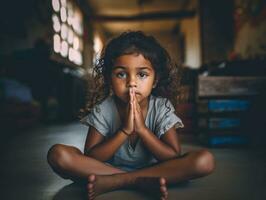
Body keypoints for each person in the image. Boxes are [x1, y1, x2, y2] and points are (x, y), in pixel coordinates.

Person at [47, 31, 215, 200]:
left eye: (142, 74)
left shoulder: (161, 107)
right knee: (58, 155)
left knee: (204, 160)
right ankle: (140, 181)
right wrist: (124, 131)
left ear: (155, 80)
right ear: (109, 79)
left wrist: (142, 130)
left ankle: (118, 181)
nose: (131, 82)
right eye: (121, 74)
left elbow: (172, 157)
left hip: (153, 170)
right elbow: (91, 157)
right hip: (106, 170)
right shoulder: (104, 108)